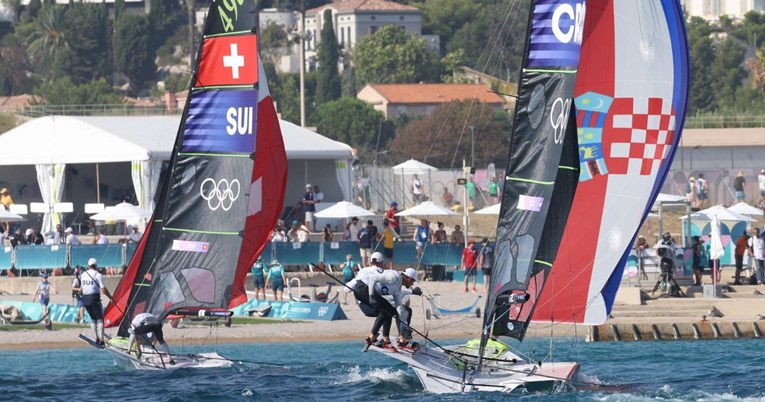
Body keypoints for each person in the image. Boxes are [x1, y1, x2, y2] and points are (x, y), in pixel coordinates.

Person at [345, 253, 417, 351]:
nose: (413, 284)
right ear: (409, 278)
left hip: (364, 292)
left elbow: (399, 309)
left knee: (390, 310)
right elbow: (373, 278)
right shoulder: (394, 276)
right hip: (362, 289)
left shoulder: (397, 289)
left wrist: (405, 328)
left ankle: (390, 339)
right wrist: (371, 296)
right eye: (413, 281)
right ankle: (374, 337)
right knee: (387, 309)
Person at [80, 258, 113, 347]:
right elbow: (103, 289)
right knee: (100, 319)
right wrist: (110, 297)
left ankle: (96, 337)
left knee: (93, 319)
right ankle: (101, 339)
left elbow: (82, 288)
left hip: (85, 299)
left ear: (88, 265)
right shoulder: (98, 275)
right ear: (96, 266)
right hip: (94, 298)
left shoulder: (83, 274)